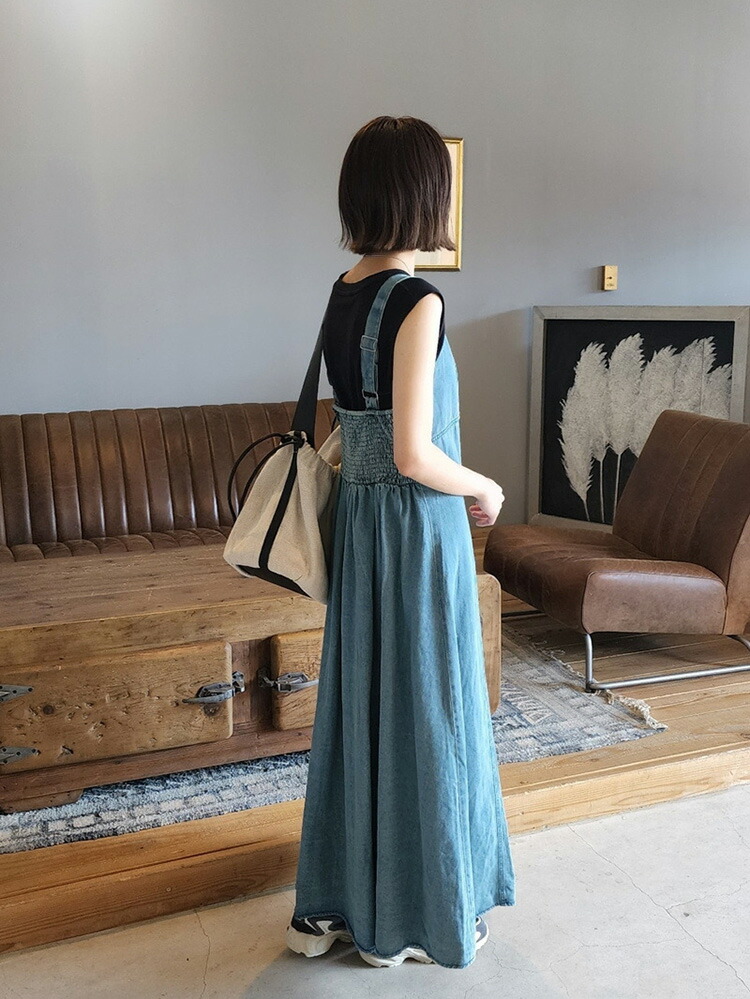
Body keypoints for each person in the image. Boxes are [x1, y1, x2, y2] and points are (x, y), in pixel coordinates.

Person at [285, 115, 516, 970]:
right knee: (432, 705)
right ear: (425, 197)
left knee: (364, 707)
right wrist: (484, 486)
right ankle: (420, 916)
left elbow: (361, 432)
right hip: (418, 531)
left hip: (362, 523)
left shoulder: (343, 289)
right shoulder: (418, 301)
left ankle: (341, 903)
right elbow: (417, 452)